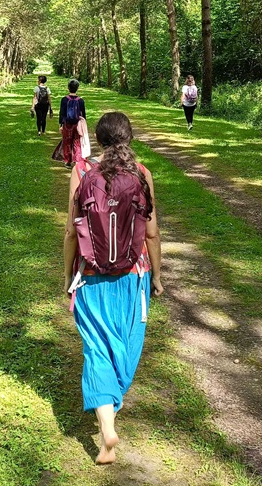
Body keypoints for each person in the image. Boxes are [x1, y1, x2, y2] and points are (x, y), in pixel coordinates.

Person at [64, 112, 163, 465]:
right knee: (125, 344)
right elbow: (151, 233)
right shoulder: (142, 173)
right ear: (129, 137)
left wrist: (67, 275)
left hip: (90, 275)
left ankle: (107, 428)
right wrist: (157, 276)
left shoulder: (81, 172)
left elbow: (71, 231)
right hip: (134, 277)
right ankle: (110, 404)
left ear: (100, 139)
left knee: (96, 347)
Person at [58, 79, 87, 167]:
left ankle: (67, 161)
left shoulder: (64, 100)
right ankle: (77, 160)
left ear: (68, 88)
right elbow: (83, 114)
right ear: (77, 88)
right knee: (77, 142)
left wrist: (61, 125)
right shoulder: (80, 101)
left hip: (67, 124)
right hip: (77, 124)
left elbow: (62, 113)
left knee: (67, 142)